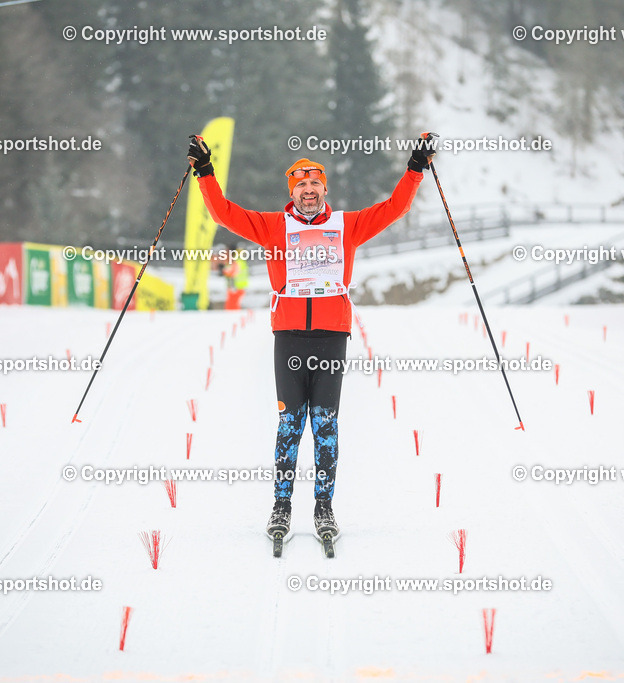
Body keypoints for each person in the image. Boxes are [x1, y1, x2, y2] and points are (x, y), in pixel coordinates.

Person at [186, 133, 437, 543]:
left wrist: (414, 168)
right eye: (301, 185)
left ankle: (324, 508)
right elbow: (224, 214)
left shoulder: (347, 225)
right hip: (288, 337)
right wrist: (205, 171)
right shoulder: (273, 227)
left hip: (331, 336)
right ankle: (281, 507)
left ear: (324, 189)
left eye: (314, 184)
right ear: (292, 192)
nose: (308, 191)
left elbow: (394, 209)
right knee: (289, 423)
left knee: (325, 424)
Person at [216, 242, 249, 310]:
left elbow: (232, 271)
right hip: (237, 286)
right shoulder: (238, 259)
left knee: (231, 306)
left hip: (236, 286)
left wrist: (223, 270)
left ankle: (233, 318)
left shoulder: (236, 260)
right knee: (232, 305)